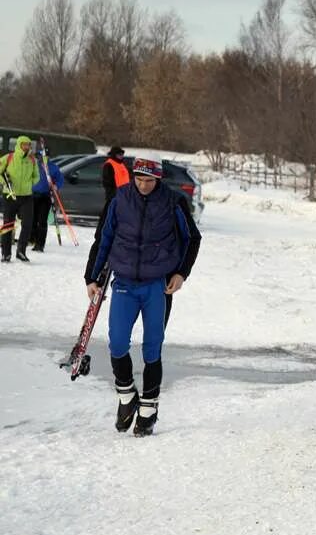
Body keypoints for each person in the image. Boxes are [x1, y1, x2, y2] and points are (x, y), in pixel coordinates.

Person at [84, 158, 202, 436]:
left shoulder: (173, 201)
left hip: (157, 285)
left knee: (152, 347)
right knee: (117, 343)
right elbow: (104, 238)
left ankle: (148, 407)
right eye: (139, 179)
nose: (143, 185)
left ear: (158, 179)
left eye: (149, 181)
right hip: (124, 281)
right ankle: (127, 397)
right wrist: (92, 276)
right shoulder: (119, 199)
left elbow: (192, 239)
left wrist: (181, 273)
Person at [1, 136, 40, 263]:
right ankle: (6, 254)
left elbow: (37, 176)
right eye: (24, 144)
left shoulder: (32, 160)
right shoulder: (9, 157)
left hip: (26, 196)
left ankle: (21, 252)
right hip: (10, 196)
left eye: (28, 145)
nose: (26, 147)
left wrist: (30, 183)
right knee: (8, 225)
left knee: (27, 224)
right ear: (19, 145)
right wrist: (5, 182)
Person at [30, 146, 64, 252]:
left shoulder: (53, 167)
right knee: (32, 219)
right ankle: (31, 239)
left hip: (45, 196)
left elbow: (60, 180)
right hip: (32, 195)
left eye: (45, 156)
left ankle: (40, 244)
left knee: (42, 220)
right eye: (41, 156)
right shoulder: (33, 166)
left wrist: (55, 186)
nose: (43, 158)